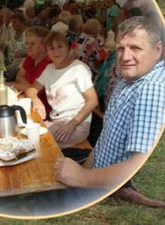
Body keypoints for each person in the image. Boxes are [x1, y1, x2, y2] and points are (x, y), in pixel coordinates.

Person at [55, 17, 165, 207]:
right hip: (97, 178)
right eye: (121, 48)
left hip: (108, 186)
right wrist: (83, 172)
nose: (125, 56)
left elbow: (134, 166)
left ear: (157, 50)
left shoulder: (151, 89)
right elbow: (105, 139)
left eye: (135, 48)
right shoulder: (128, 78)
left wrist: (81, 178)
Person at [24, 31, 98, 148]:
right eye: (51, 48)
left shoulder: (78, 68)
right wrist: (35, 99)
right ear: (47, 51)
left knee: (36, 142)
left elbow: (93, 101)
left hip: (77, 124)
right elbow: (31, 89)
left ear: (67, 47)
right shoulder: (49, 68)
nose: (56, 51)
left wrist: (72, 124)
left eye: (60, 47)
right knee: (26, 132)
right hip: (55, 121)